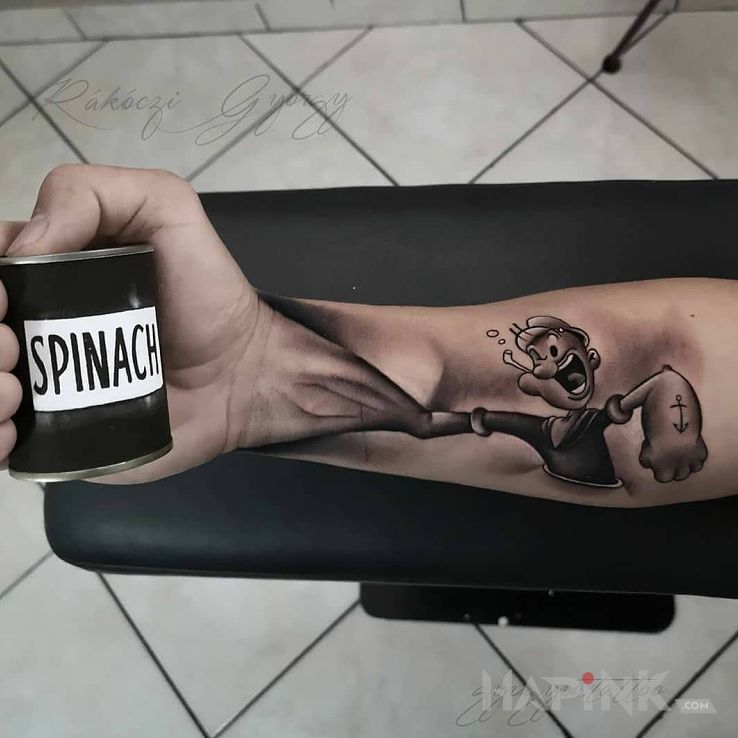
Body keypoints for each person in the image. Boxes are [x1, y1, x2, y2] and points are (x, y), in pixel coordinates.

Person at [0, 164, 733, 507]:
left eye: (560, 356)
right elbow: (681, 364)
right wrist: (256, 370)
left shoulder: (592, 409)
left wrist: (675, 427)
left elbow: (673, 374)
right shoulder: (559, 409)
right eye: (543, 358)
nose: (556, 364)